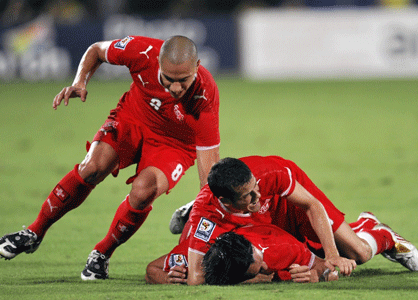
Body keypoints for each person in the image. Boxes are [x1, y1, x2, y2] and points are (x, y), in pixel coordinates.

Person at [0, 35, 221, 281]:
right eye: (169, 79)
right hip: (133, 118)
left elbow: (208, 173)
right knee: (92, 167)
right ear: (158, 63)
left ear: (197, 66)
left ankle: (102, 254)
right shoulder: (142, 51)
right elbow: (95, 50)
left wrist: (204, 213)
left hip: (175, 144)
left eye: (184, 80)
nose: (176, 88)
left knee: (143, 192)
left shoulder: (205, 98)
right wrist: (80, 82)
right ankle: (34, 232)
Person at [185, 156, 418, 285]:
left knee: (358, 253)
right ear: (225, 200)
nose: (258, 194)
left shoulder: (268, 175)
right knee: (304, 251)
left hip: (291, 199)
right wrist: (259, 278)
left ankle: (379, 233)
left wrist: (332, 255)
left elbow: (312, 205)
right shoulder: (205, 216)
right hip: (258, 220)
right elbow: (196, 278)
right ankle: (354, 231)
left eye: (254, 186)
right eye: (248, 195)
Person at [145, 222, 339, 285]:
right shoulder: (194, 253)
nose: (265, 266)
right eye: (255, 272)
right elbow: (151, 269)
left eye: (259, 262)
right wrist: (169, 278)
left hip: (269, 218)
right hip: (199, 229)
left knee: (354, 251)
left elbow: (329, 268)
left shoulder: (279, 247)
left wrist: (320, 275)